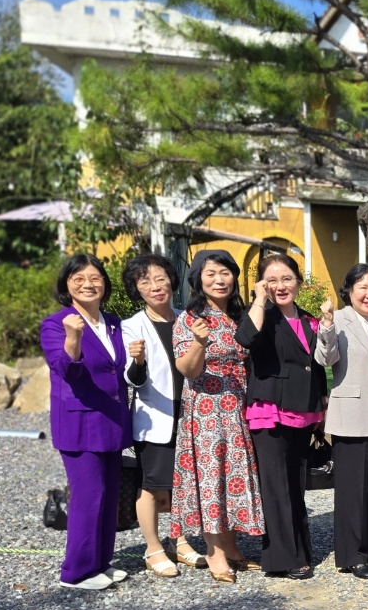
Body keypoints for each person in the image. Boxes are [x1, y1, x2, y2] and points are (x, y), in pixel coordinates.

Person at [172, 250, 265, 583]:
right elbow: (187, 369)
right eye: (210, 274)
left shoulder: (239, 316)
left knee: (232, 476)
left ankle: (232, 545)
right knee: (211, 479)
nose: (219, 280)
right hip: (206, 411)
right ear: (199, 279)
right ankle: (214, 551)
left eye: (225, 273)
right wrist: (199, 342)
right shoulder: (190, 318)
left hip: (237, 407)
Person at [41, 255, 132, 590]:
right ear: (67, 285)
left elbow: (118, 368)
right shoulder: (56, 323)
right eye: (78, 278)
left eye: (95, 278)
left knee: (108, 494)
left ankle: (100, 563)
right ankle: (76, 572)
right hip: (80, 422)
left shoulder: (113, 323)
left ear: (104, 283)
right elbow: (64, 369)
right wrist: (72, 338)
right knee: (88, 495)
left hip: (111, 418)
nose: (88, 284)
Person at [237, 251, 326, 579]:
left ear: (298, 282)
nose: (280, 285)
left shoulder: (309, 319)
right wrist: (259, 299)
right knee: (276, 486)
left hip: (302, 411)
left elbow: (316, 365)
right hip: (269, 409)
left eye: (287, 278)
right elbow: (245, 338)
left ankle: (299, 550)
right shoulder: (262, 314)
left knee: (295, 484)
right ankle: (283, 558)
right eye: (271, 280)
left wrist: (321, 406)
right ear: (262, 284)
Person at [314, 264, 368, 580]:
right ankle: (353, 555)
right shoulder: (338, 320)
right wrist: (326, 324)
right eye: (363, 287)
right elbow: (325, 359)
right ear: (348, 291)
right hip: (351, 414)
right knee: (352, 490)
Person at [121, 253, 188, 578]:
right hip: (155, 417)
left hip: (189, 414)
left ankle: (181, 540)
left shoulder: (186, 318)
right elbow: (131, 379)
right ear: (137, 289)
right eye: (145, 281)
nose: (155, 286)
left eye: (160, 278)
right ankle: (153, 548)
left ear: (172, 281)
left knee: (184, 482)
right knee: (151, 483)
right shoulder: (131, 326)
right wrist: (139, 361)